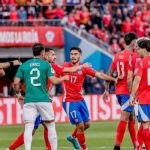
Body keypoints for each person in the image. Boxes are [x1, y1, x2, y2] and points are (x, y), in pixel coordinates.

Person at [6, 47, 91, 150]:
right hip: (41, 100)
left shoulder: (33, 65)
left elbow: (17, 82)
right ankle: (10, 149)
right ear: (44, 55)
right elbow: (66, 72)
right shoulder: (48, 66)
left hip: (31, 99)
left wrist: (19, 94)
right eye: (52, 55)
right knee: (43, 127)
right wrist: (80, 67)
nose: (55, 57)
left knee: (40, 127)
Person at [58, 47, 117, 150]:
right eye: (71, 54)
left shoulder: (84, 67)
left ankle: (72, 137)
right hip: (69, 101)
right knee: (80, 126)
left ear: (80, 56)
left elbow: (99, 74)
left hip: (80, 100)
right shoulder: (64, 67)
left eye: (75, 54)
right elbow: (51, 78)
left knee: (87, 124)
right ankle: (84, 148)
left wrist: (114, 79)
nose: (73, 56)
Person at [13, 43, 69, 150]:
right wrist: (63, 78)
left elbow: (16, 83)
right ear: (43, 53)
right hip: (43, 99)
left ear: (33, 52)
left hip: (29, 100)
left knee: (28, 127)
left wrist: (18, 95)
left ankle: (27, 149)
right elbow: (54, 80)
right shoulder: (46, 65)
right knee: (51, 125)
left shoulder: (24, 65)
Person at [103, 32, 138, 150]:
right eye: (136, 42)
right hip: (127, 92)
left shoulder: (117, 55)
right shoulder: (133, 56)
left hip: (118, 91)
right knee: (124, 118)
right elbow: (129, 78)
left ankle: (136, 145)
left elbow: (109, 74)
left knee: (131, 117)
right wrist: (132, 94)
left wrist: (106, 90)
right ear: (133, 42)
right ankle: (117, 146)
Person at [130, 38, 150, 150]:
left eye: (139, 49)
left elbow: (137, 80)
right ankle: (138, 147)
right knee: (145, 124)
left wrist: (132, 95)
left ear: (144, 49)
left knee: (145, 124)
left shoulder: (141, 62)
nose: (137, 51)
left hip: (144, 98)